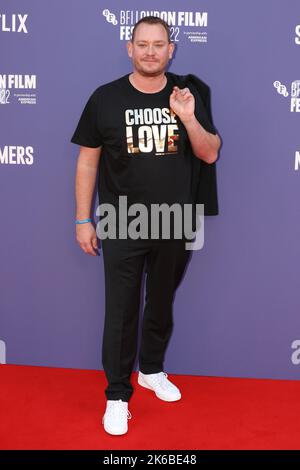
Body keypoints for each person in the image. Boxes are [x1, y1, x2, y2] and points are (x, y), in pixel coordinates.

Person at [70, 15, 221, 436]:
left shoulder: (187, 94)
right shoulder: (105, 98)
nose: (151, 51)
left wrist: (188, 118)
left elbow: (209, 154)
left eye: (159, 44)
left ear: (171, 49)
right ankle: (117, 395)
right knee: (121, 310)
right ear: (130, 48)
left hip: (174, 219)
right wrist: (84, 218)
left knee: (160, 301)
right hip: (122, 221)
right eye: (143, 44)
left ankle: (151, 370)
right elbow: (87, 160)